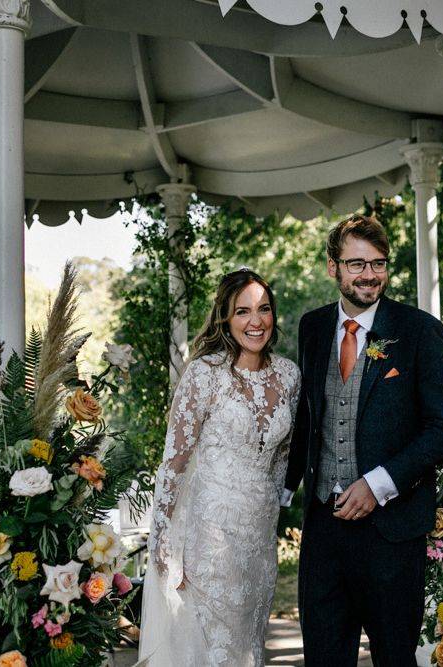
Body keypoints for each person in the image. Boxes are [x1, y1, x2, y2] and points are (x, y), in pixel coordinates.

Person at [283, 215, 443, 666]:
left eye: (378, 263)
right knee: (323, 659)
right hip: (323, 528)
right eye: (357, 263)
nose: (369, 275)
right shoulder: (313, 328)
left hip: (392, 533)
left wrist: (379, 483)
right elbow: (308, 416)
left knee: (394, 660)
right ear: (333, 268)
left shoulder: (420, 330)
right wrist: (280, 493)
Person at [137, 269, 301, 667]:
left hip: (260, 539)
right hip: (210, 535)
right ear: (225, 318)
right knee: (213, 649)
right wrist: (162, 541)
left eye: (264, 309)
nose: (256, 321)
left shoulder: (289, 375)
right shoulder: (205, 374)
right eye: (242, 311)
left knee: (249, 645)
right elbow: (174, 462)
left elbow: (282, 457)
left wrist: (275, 509)